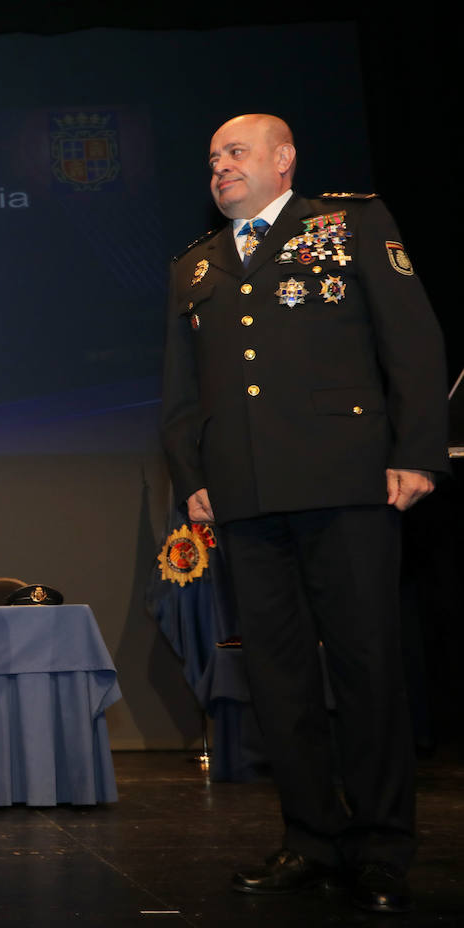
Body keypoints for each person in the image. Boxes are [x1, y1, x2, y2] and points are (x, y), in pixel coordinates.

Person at [160, 114, 447, 914]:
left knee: (366, 668)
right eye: (213, 156)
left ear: (284, 161)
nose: (219, 166)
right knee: (279, 682)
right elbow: (183, 393)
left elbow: (413, 344)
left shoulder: (349, 224)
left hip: (347, 483)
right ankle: (312, 839)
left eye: (236, 152)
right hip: (244, 497)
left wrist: (419, 452)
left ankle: (383, 848)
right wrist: (192, 476)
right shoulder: (195, 266)